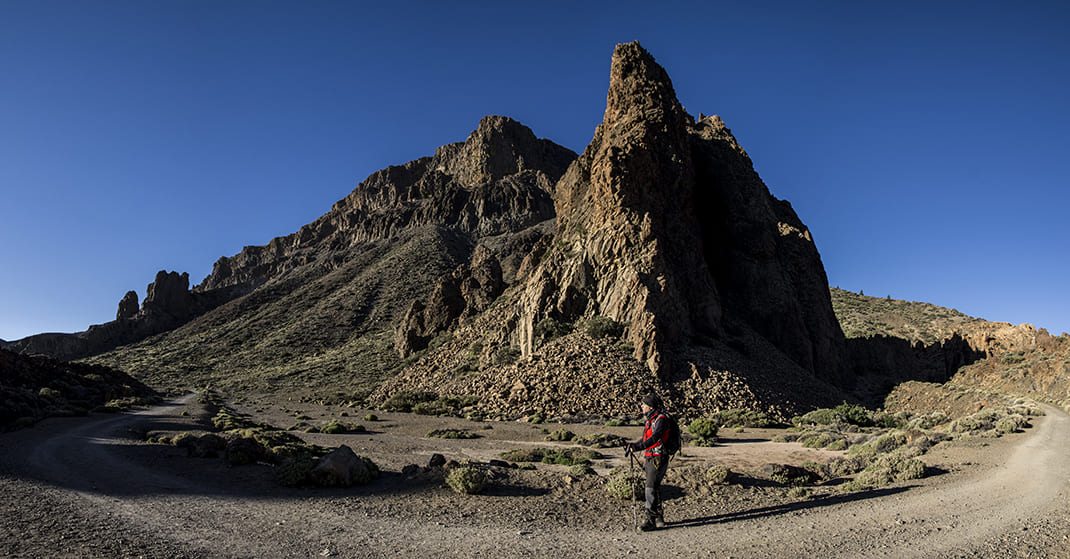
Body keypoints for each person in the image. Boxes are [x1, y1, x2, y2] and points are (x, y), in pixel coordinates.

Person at [625, 393, 670, 531]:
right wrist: (634, 445)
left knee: (650, 486)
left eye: (644, 404)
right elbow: (646, 439)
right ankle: (658, 517)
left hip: (658, 457)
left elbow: (655, 438)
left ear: (650, 407)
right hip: (652, 456)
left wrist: (638, 447)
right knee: (654, 485)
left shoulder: (660, 420)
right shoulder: (652, 419)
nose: (641, 406)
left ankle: (650, 519)